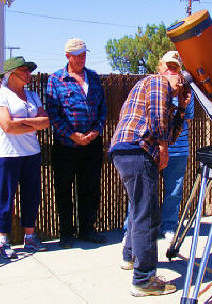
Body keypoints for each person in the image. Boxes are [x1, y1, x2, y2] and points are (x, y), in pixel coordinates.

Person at [109, 51, 191, 297]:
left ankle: (130, 257)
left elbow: (172, 130)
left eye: (177, 70)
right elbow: (157, 119)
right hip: (138, 150)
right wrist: (163, 148)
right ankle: (144, 280)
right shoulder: (157, 81)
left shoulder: (162, 93)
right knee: (148, 216)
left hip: (127, 151)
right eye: (170, 68)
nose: (175, 74)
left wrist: (181, 108)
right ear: (161, 68)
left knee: (139, 209)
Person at [46, 38, 107, 249]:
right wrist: (72, 135)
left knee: (90, 188)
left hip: (92, 144)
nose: (81, 58)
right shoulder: (55, 79)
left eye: (84, 54)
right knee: (63, 189)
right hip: (66, 146)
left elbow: (102, 108)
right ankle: (66, 233)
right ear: (67, 56)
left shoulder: (94, 78)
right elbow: (53, 113)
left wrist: (96, 130)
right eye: (77, 55)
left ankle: (87, 229)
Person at [0, 56, 49, 259]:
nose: (28, 74)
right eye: (23, 70)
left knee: (31, 195)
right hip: (8, 154)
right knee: (5, 196)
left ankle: (30, 237)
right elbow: (7, 126)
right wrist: (32, 122)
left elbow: (45, 121)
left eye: (28, 70)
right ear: (10, 74)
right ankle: (3, 240)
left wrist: (21, 120)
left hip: (32, 153)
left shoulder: (32, 96)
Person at [158, 51, 195, 242]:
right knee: (144, 191)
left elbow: (188, 115)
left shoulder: (186, 89)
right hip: (154, 148)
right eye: (168, 65)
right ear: (160, 66)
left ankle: (169, 226)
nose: (171, 69)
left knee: (174, 191)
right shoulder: (153, 86)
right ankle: (135, 229)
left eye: (175, 66)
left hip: (178, 148)